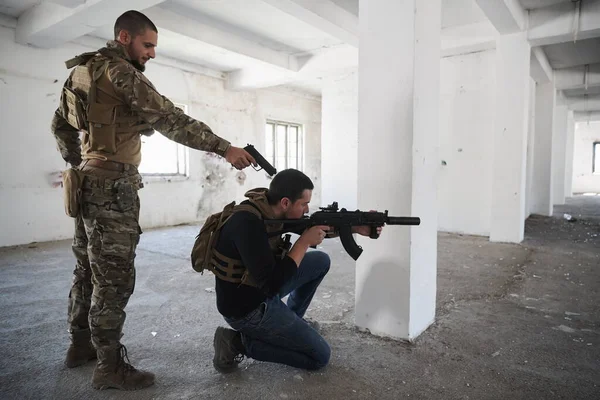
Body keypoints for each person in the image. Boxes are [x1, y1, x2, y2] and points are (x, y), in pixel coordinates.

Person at [50, 10, 255, 391]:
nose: (153, 53)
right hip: (113, 188)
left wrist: (78, 162)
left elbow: (59, 124)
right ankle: (109, 368)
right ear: (124, 38)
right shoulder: (121, 73)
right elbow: (169, 119)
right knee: (113, 278)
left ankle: (80, 346)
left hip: (85, 183)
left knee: (87, 269)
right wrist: (224, 148)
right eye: (148, 45)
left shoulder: (81, 72)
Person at [209, 169, 382, 372]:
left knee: (320, 261)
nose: (307, 209)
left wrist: (355, 226)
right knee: (319, 356)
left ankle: (292, 318)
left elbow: (315, 227)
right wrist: (303, 242)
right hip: (247, 309)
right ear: (285, 202)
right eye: (304, 204)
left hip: (260, 290)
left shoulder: (270, 209)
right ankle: (237, 342)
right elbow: (273, 284)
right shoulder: (248, 224)